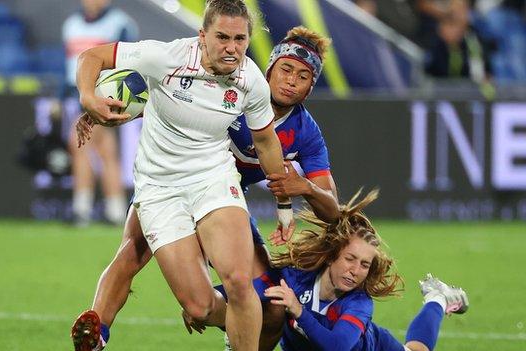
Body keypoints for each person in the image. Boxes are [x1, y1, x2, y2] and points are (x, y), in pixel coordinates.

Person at [71, 25, 340, 351]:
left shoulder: (306, 133)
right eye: (285, 69)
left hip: (224, 200)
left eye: (303, 76)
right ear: (270, 68)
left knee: (272, 307)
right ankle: (97, 334)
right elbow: (168, 104)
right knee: (132, 250)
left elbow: (332, 210)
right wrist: (105, 111)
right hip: (177, 184)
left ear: (312, 87)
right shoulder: (233, 86)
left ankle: (229, 325)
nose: (291, 81)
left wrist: (306, 190)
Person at [260, 190, 469, 351]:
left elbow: (337, 347)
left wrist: (299, 311)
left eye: (365, 265)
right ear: (332, 256)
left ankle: (438, 299)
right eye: (350, 259)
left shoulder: (359, 302)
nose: (355, 271)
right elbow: (238, 292)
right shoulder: (292, 279)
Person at [63, 0, 137, 226]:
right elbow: (67, 64)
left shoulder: (121, 24)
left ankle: (81, 208)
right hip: (77, 95)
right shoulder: (71, 24)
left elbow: (131, 62)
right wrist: (60, 97)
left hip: (103, 96)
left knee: (80, 143)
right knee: (106, 151)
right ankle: (114, 210)